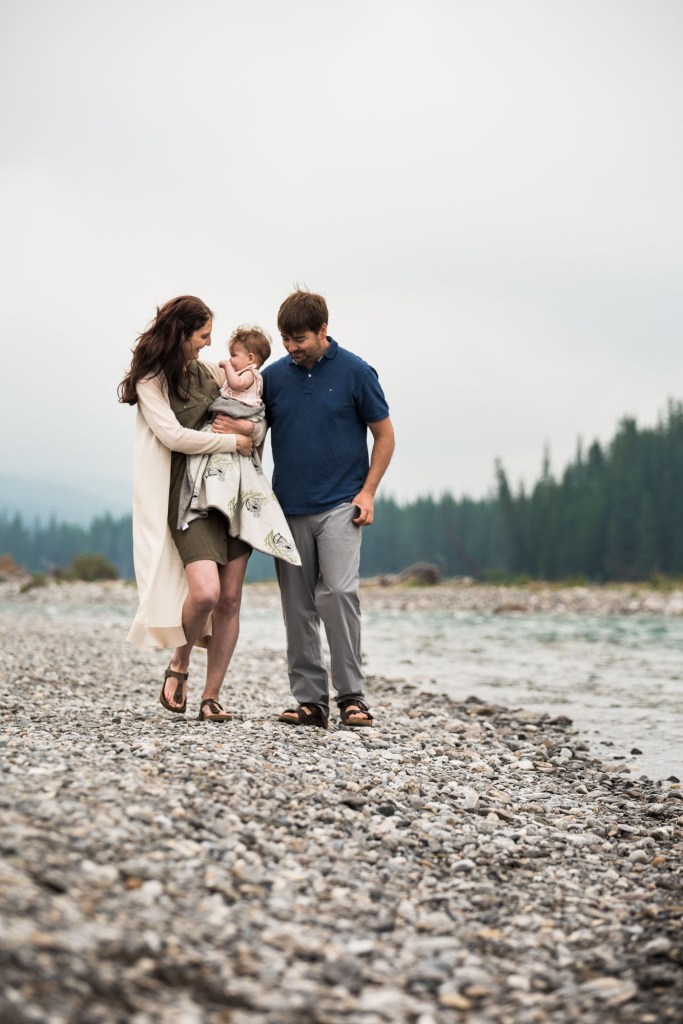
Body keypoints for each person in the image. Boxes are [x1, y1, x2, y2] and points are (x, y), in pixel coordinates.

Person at [118, 295, 263, 722]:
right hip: (188, 498)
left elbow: (251, 415)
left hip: (235, 492)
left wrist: (248, 431)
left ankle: (211, 695)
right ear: (181, 333)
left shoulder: (209, 373)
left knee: (231, 600)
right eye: (202, 336)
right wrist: (232, 440)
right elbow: (174, 436)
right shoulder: (151, 381)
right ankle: (180, 663)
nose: (209, 343)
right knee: (206, 593)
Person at [261, 288, 395, 728]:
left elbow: (385, 435)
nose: (293, 348)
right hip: (288, 508)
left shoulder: (357, 372)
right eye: (286, 340)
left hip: (341, 504)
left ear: (323, 330)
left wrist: (368, 492)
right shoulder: (274, 378)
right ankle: (310, 702)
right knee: (296, 606)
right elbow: (253, 430)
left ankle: (352, 697)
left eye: (300, 339)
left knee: (337, 595)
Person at [177, 327, 301, 567]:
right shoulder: (240, 374)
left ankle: (223, 501)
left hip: (242, 421)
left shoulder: (248, 375)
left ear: (251, 359)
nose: (231, 359)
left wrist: (226, 367)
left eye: (234, 354)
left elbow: (248, 406)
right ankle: (217, 499)